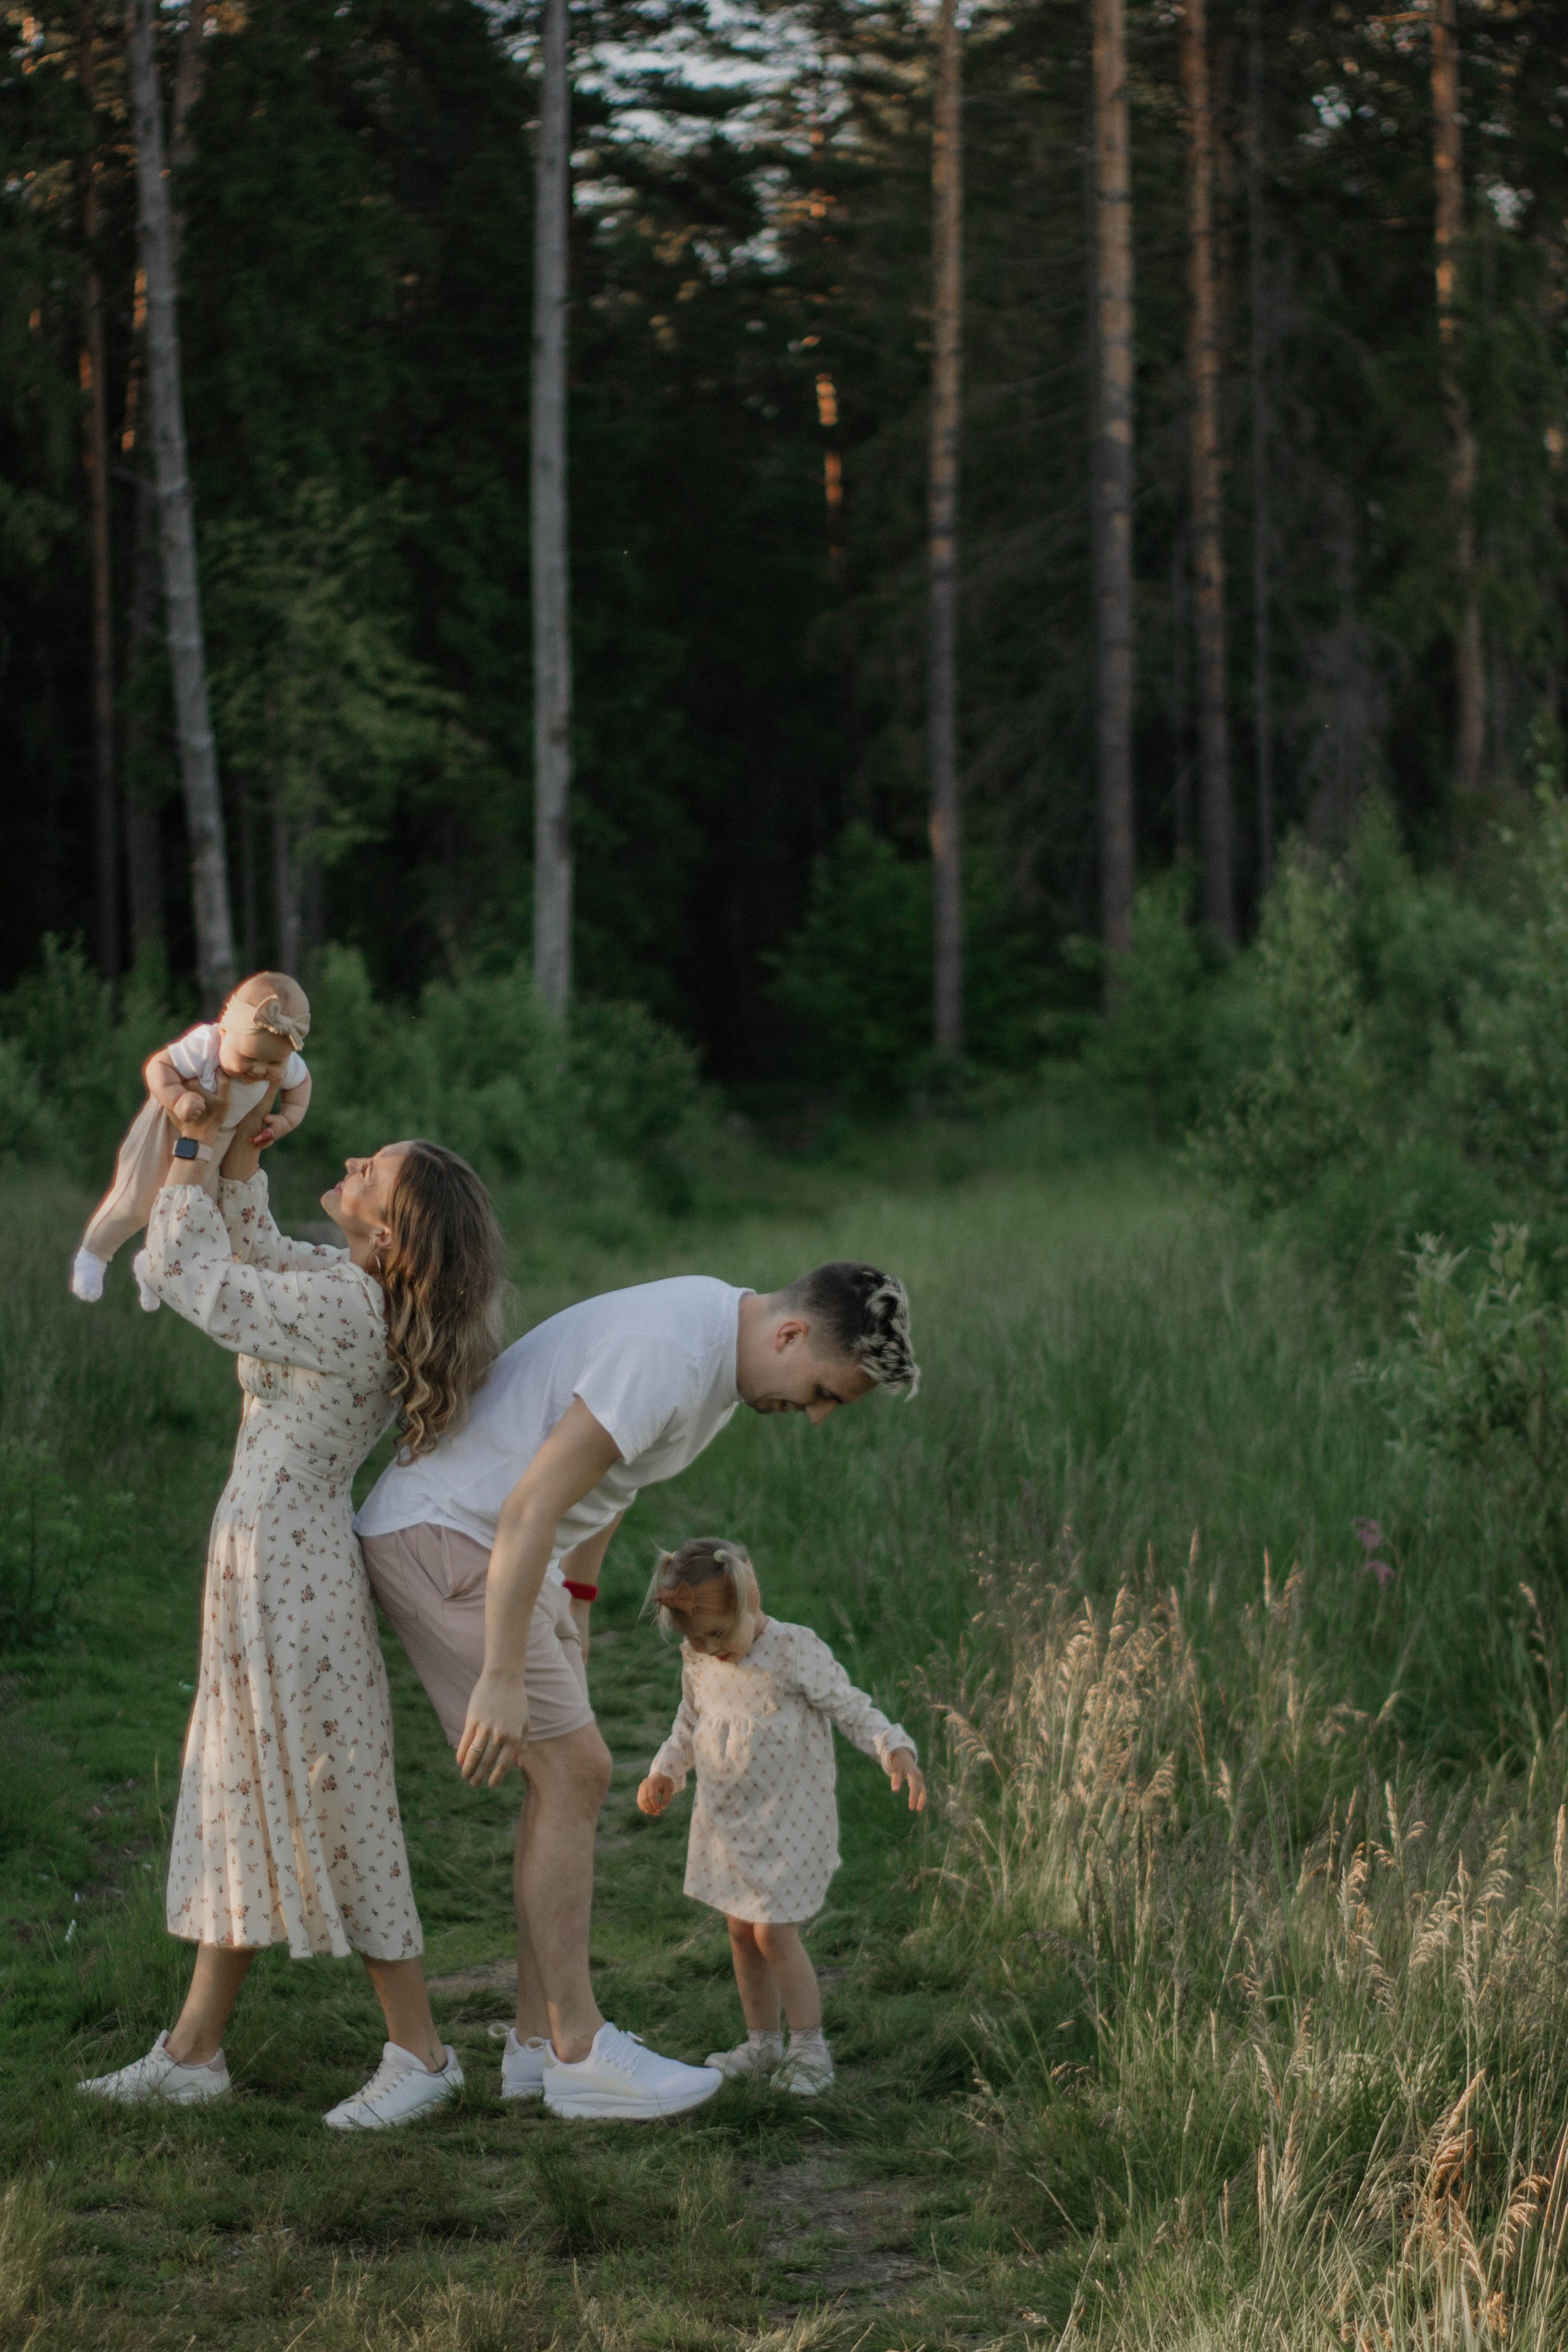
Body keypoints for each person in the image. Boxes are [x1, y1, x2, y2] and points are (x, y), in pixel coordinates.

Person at [356, 1261, 919, 2121]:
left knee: (567, 1778)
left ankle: (537, 2049)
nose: (813, 1416)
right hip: (452, 1536)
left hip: (499, 1549)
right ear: (791, 1335)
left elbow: (608, 1486)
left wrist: (575, 1605)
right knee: (578, 1774)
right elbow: (532, 1502)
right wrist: (504, 1675)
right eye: (822, 1393)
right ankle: (580, 2053)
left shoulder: (715, 1367)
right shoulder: (672, 1352)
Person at [77, 1096, 504, 2133]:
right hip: (265, 1561)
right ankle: (194, 2052)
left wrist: (186, 1148)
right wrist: (231, 1164)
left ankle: (422, 2052)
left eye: (371, 1171)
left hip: (291, 1574)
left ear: (390, 1235)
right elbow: (257, 1248)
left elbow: (193, 1277)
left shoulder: (353, 1310)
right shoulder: (350, 1281)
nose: (350, 1162)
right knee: (244, 1785)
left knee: (331, 1798)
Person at [636, 1537, 925, 2095]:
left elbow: (849, 1703)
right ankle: (763, 2042)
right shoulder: (699, 1656)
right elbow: (688, 1722)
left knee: (772, 1932)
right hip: (730, 1822)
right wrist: (666, 1771)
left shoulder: (794, 1650)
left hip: (791, 1819)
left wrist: (894, 1748)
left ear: (752, 1598)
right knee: (741, 1932)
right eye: (697, 1639)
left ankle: (810, 2047)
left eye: (719, 1634)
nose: (710, 1649)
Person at [70, 970, 314, 1308]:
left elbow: (301, 1086)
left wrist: (287, 1119)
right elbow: (159, 1065)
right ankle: (94, 1254)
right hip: (168, 1128)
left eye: (272, 1062)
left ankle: (153, 1266)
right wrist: (175, 1097)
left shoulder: (281, 1059)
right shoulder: (205, 1045)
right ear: (225, 1032)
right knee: (137, 1200)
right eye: (248, 1059)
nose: (259, 1070)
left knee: (197, 1215)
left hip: (219, 1141)